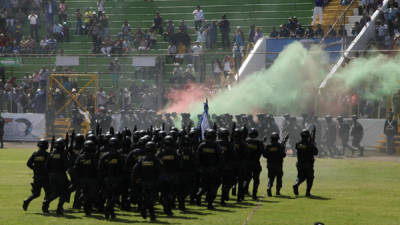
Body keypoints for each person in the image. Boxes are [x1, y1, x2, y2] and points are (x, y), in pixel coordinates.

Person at [131, 141, 161, 221]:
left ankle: (149, 213)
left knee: (147, 198)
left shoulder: (142, 159)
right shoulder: (155, 159)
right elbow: (160, 170)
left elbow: (135, 170)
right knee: (151, 199)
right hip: (152, 182)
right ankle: (149, 213)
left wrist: (135, 179)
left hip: (143, 182)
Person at [196, 129, 223, 209]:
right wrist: (219, 168)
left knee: (203, 185)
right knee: (213, 187)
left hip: (203, 169)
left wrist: (200, 168)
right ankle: (210, 204)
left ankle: (199, 194)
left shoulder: (201, 145)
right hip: (213, 169)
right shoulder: (216, 145)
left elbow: (197, 157)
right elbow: (220, 158)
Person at [98, 137, 124, 219]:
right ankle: (108, 209)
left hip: (106, 179)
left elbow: (100, 168)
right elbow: (122, 168)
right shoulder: (119, 156)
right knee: (115, 197)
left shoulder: (104, 156)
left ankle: (111, 213)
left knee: (109, 196)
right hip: (116, 179)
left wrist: (101, 179)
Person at [43, 138, 69, 216]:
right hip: (61, 175)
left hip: (51, 175)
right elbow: (66, 165)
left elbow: (46, 165)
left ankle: (47, 201)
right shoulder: (63, 154)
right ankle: (59, 208)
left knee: (56, 192)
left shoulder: (51, 153)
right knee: (64, 192)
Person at [23, 139, 50, 212]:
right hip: (45, 177)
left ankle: (27, 201)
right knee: (48, 193)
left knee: (36, 194)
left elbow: (28, 164)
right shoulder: (47, 155)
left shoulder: (35, 153)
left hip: (37, 177)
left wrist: (34, 169)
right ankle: (45, 208)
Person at [73, 140, 98, 215]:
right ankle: (87, 208)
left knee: (85, 193)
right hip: (92, 179)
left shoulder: (80, 157)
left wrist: (78, 177)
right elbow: (97, 167)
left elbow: (76, 168)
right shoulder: (94, 157)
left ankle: (84, 204)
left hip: (82, 179)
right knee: (91, 194)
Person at [157, 135, 180, 216]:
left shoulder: (161, 153)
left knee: (165, 193)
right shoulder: (175, 152)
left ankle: (165, 205)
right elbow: (178, 164)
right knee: (171, 194)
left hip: (163, 176)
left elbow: (157, 163)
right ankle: (167, 209)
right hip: (172, 176)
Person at [293, 129, 318, 197]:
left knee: (300, 177)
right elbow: (316, 152)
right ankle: (307, 193)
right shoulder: (310, 144)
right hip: (308, 164)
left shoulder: (298, 144)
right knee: (310, 178)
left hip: (300, 163)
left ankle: (296, 184)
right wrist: (313, 144)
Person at [245, 128, 264, 200]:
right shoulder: (259, 142)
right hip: (255, 163)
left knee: (246, 178)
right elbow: (264, 153)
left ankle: (244, 191)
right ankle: (254, 195)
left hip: (246, 163)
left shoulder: (246, 141)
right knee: (256, 179)